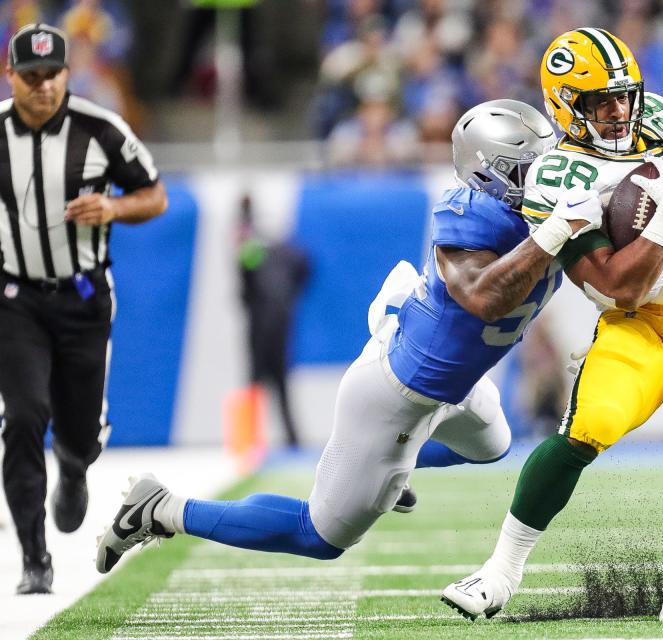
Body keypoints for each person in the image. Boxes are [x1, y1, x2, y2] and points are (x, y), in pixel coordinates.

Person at [94, 99, 604, 572]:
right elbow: (486, 297)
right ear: (487, 174)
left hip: (451, 373)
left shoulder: (536, 213)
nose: (545, 179)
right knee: (318, 536)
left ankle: (376, 462)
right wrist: (555, 232)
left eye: (547, 163)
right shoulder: (471, 211)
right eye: (528, 169)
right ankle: (161, 508)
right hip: (402, 392)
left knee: (493, 445)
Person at [442, 28, 663, 623]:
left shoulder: (656, 117)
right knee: (588, 425)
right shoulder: (557, 177)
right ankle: (501, 571)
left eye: (624, 95)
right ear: (567, 106)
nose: (619, 111)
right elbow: (617, 286)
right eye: (600, 101)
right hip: (632, 321)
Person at [0, 23, 167, 594]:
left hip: (82, 296)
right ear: (11, 75)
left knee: (79, 435)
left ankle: (73, 467)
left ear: (68, 75)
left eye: (53, 75)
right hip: (14, 296)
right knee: (21, 418)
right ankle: (33, 558)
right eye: (31, 76)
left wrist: (114, 209)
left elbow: (155, 193)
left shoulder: (100, 129)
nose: (43, 86)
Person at [236, 194, 311, 448]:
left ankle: (258, 440)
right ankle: (274, 439)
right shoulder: (277, 252)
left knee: (265, 384)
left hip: (266, 330)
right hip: (273, 328)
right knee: (269, 385)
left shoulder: (257, 251)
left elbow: (244, 286)